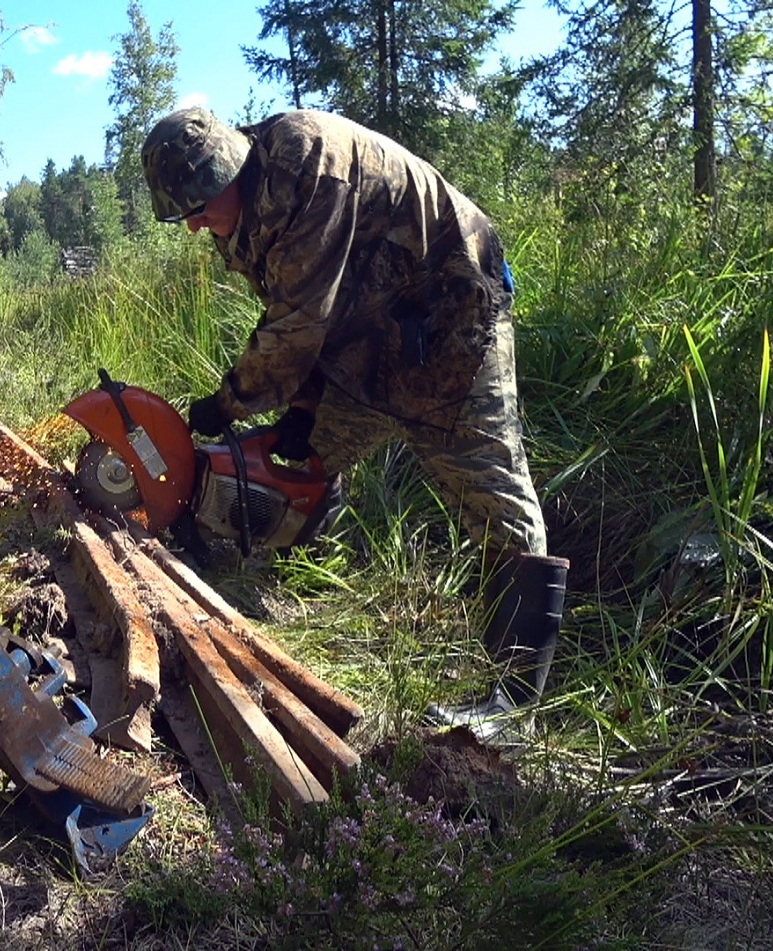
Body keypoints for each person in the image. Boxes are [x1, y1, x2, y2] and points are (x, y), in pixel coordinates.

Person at [140, 106, 568, 744]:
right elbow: (313, 310)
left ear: (230, 166)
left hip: (452, 310)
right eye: (186, 211)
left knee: (491, 486)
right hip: (374, 322)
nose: (197, 223)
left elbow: (298, 325)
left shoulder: (309, 163)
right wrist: (306, 407)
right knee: (310, 451)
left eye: (200, 203)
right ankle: (300, 588)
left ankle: (514, 697)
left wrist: (228, 402)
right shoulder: (249, 201)